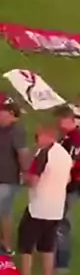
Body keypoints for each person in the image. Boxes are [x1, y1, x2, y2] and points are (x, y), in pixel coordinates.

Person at [18, 124, 72, 275]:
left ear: (47, 136)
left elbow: (33, 180)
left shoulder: (43, 153)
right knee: (48, 249)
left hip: (38, 208)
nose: (36, 140)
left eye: (38, 136)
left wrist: (24, 176)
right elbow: (68, 178)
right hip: (56, 209)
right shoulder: (64, 155)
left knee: (26, 249)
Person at [55, 106, 80, 273]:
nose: (58, 123)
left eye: (61, 120)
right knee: (59, 220)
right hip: (65, 185)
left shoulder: (75, 139)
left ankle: (62, 262)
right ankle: (57, 255)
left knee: (63, 222)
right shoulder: (67, 137)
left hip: (68, 186)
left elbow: (71, 163)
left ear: (69, 119)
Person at [0, 100, 29, 256]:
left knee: (5, 212)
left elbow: (22, 153)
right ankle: (6, 245)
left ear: (11, 114)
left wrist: (26, 173)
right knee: (5, 212)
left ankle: (7, 246)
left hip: (7, 179)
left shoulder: (16, 131)